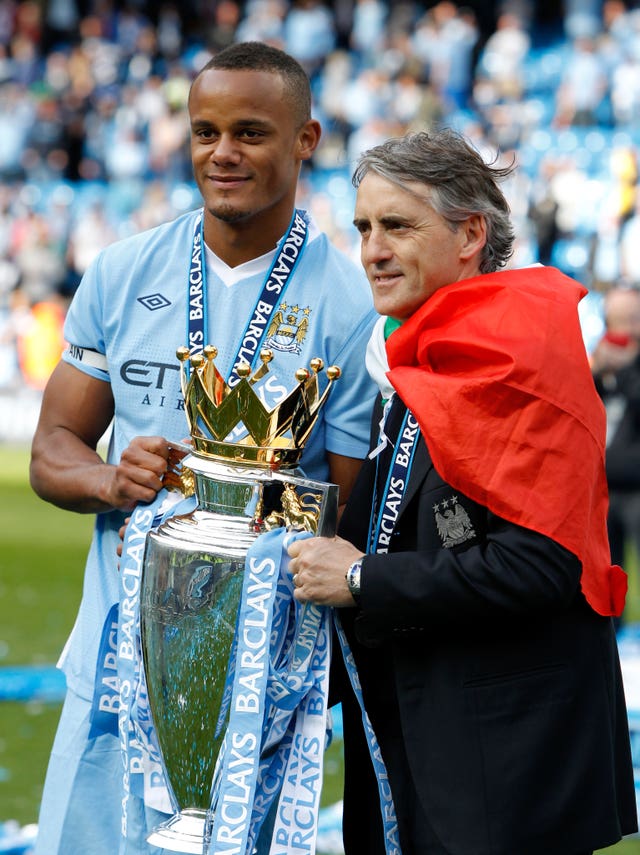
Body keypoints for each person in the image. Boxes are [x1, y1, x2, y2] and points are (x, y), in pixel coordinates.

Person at [29, 41, 379, 854]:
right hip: (118, 656)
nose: (222, 153)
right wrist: (110, 479)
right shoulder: (122, 271)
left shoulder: (351, 302)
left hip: (262, 679)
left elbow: (354, 511)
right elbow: (53, 446)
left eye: (251, 132)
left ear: (306, 139)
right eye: (205, 131)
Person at [288, 129, 637, 855]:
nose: (373, 249)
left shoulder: (516, 356)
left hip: (506, 764)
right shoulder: (419, 349)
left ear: (470, 233)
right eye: (363, 228)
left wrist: (359, 577)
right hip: (425, 741)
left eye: (398, 225)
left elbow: (542, 565)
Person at [591, 286, 640, 620]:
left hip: (636, 481)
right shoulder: (602, 354)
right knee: (608, 565)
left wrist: (624, 370)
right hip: (605, 481)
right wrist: (598, 372)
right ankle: (615, 625)